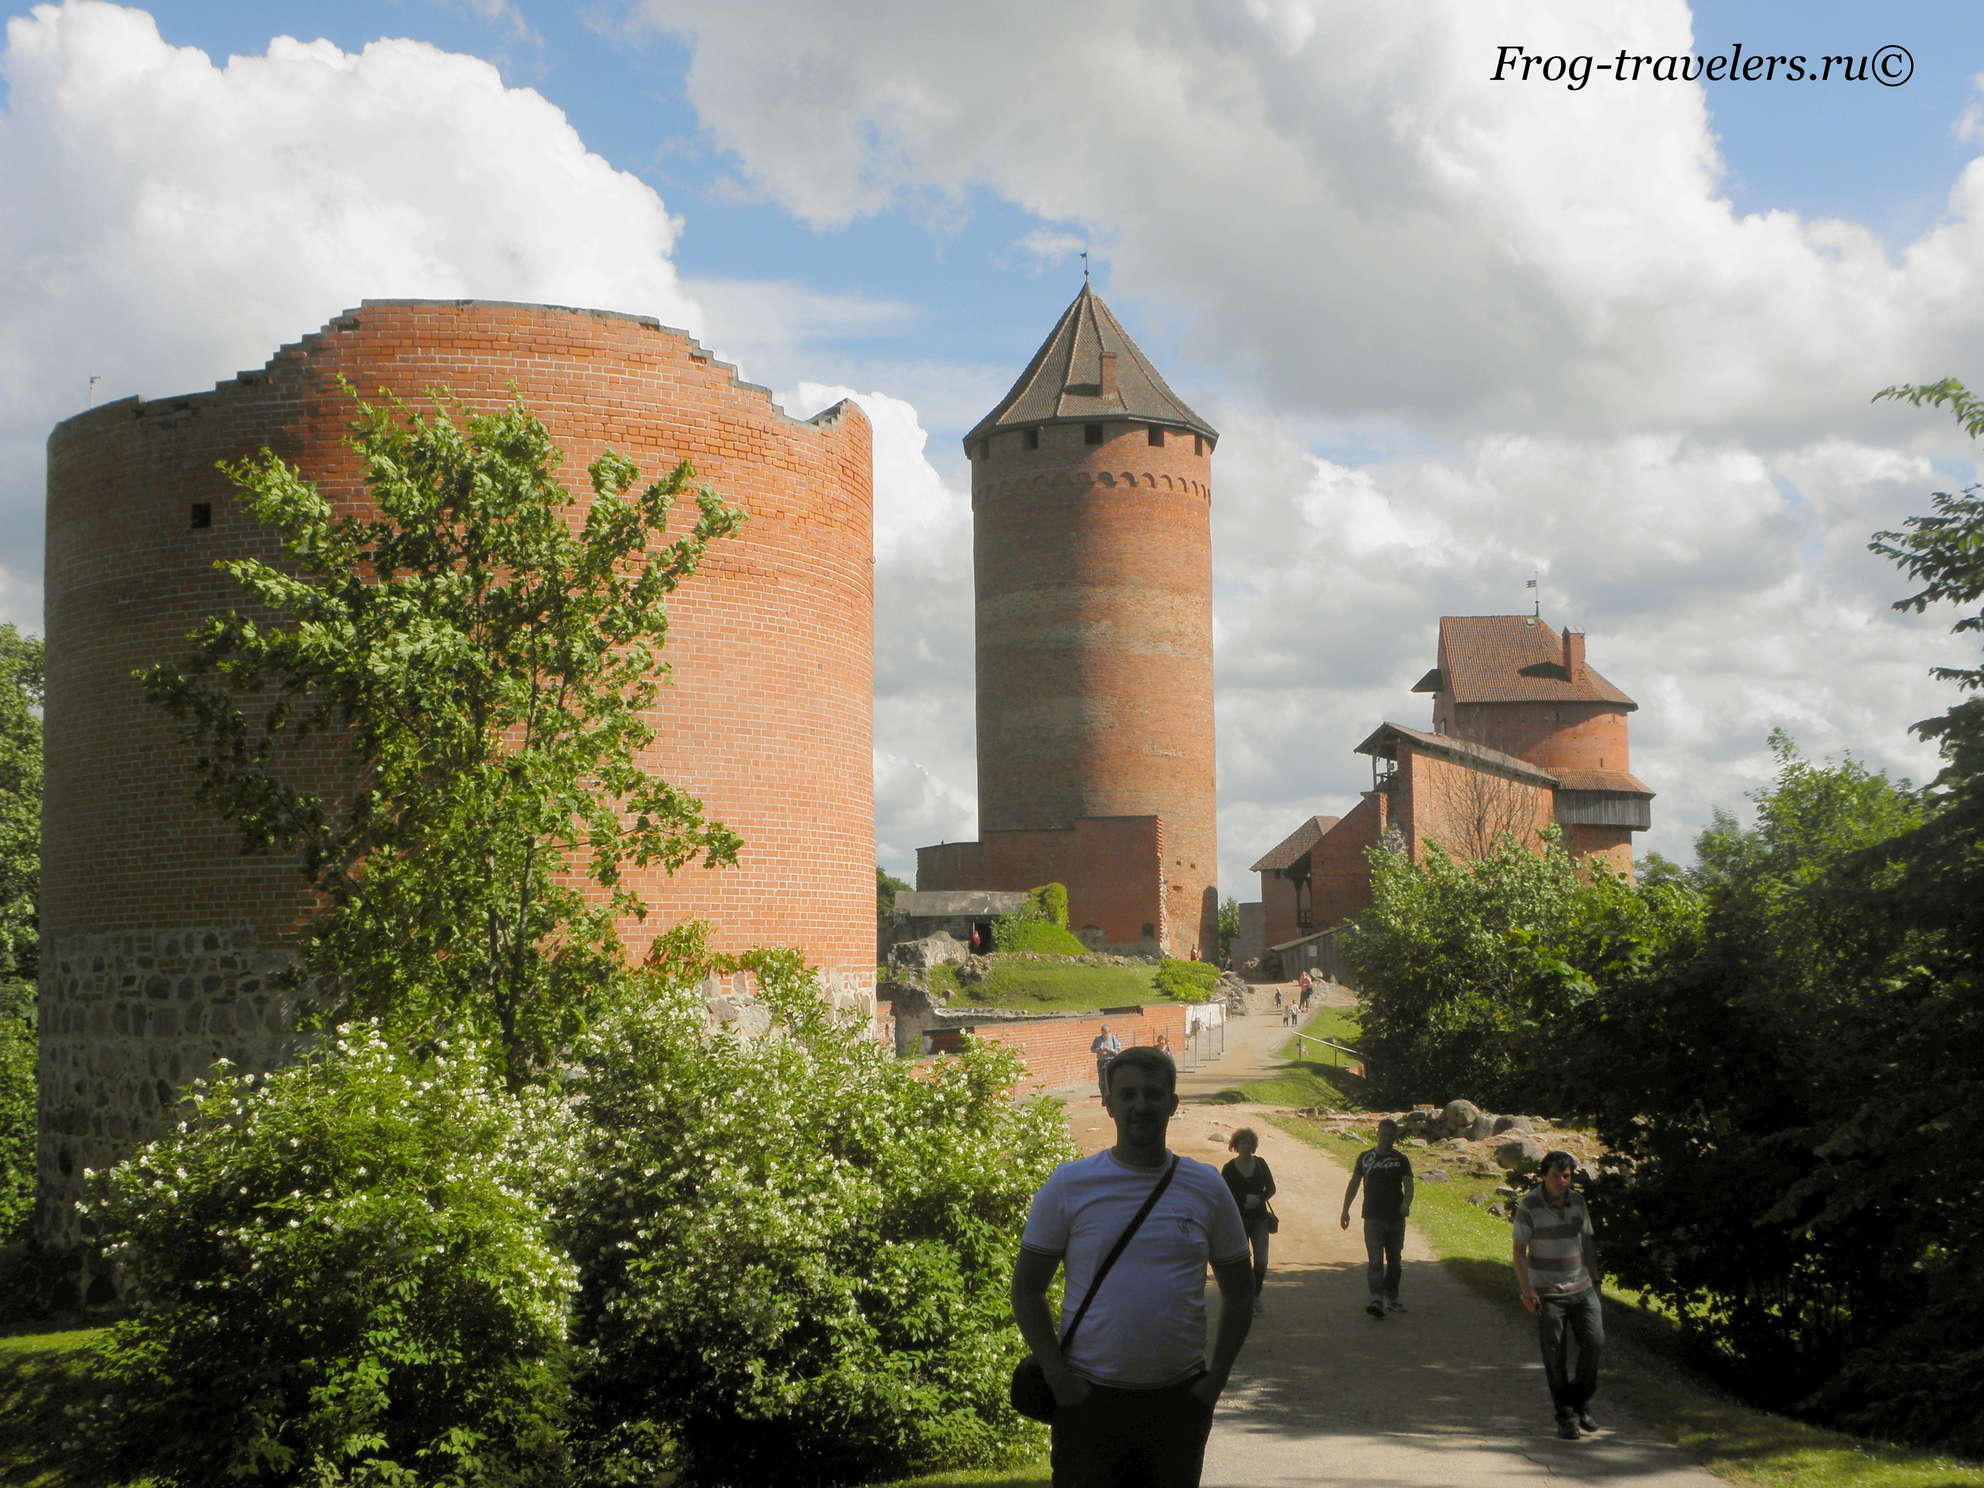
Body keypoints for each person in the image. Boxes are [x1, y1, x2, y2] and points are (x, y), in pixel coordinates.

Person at [1012, 1047, 1256, 1488]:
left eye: (1152, 1094)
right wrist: (1058, 1378)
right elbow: (1027, 1290)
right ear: (1107, 1104)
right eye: (1126, 1095)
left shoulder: (1207, 1187)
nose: (1139, 1105)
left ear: (1172, 1104)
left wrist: (1214, 1382)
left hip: (1179, 1401)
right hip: (1088, 1399)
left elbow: (1240, 1291)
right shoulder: (1069, 1185)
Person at [1513, 1151, 1603, 1440]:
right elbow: (1519, 1251)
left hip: (1582, 1286)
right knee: (1555, 1356)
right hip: (1548, 1292)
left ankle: (1580, 1401)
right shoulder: (1529, 1205)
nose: (1562, 1181)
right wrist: (1527, 1291)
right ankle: (1566, 1416)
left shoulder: (1577, 1201)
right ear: (1543, 1176)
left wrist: (1596, 1278)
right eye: (1556, 1176)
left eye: (1567, 1176)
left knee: (1594, 1343)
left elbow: (1586, 1241)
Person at [1339, 1117, 1414, 1319]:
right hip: (1372, 1216)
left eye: (1391, 1136)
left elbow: (1408, 1186)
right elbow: (1354, 1183)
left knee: (1395, 1260)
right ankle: (1376, 1298)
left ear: (1395, 1137)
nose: (1386, 1139)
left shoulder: (1401, 1159)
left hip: (1395, 1218)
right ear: (1377, 1133)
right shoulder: (1365, 1157)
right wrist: (1345, 1210)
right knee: (1375, 1260)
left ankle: (1392, 1297)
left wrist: (1406, 1203)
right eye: (1383, 1134)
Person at [1220, 1128, 1277, 1316]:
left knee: (1261, 1261)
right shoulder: (1228, 1168)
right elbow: (1224, 1194)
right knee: (1242, 1262)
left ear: (1254, 1146)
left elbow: (1271, 1188)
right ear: (1235, 1146)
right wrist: (1243, 1200)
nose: (1247, 1145)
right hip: (1239, 1220)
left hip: (1260, 1219)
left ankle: (1255, 1294)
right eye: (1243, 1142)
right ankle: (1245, 1298)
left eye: (1249, 1142)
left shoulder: (1261, 1164)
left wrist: (1259, 1199)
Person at [1090, 1023, 1121, 1100]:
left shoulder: (1113, 1038)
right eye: (1103, 1033)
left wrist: (1110, 1050)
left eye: (1106, 1033)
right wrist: (1099, 1050)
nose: (1105, 1035)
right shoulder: (1097, 1039)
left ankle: (1112, 1096)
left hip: (1111, 1061)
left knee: (1111, 1079)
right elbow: (1092, 1049)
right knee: (1102, 1081)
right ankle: (1104, 1097)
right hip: (1101, 1062)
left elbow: (1117, 1051)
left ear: (1109, 1032)